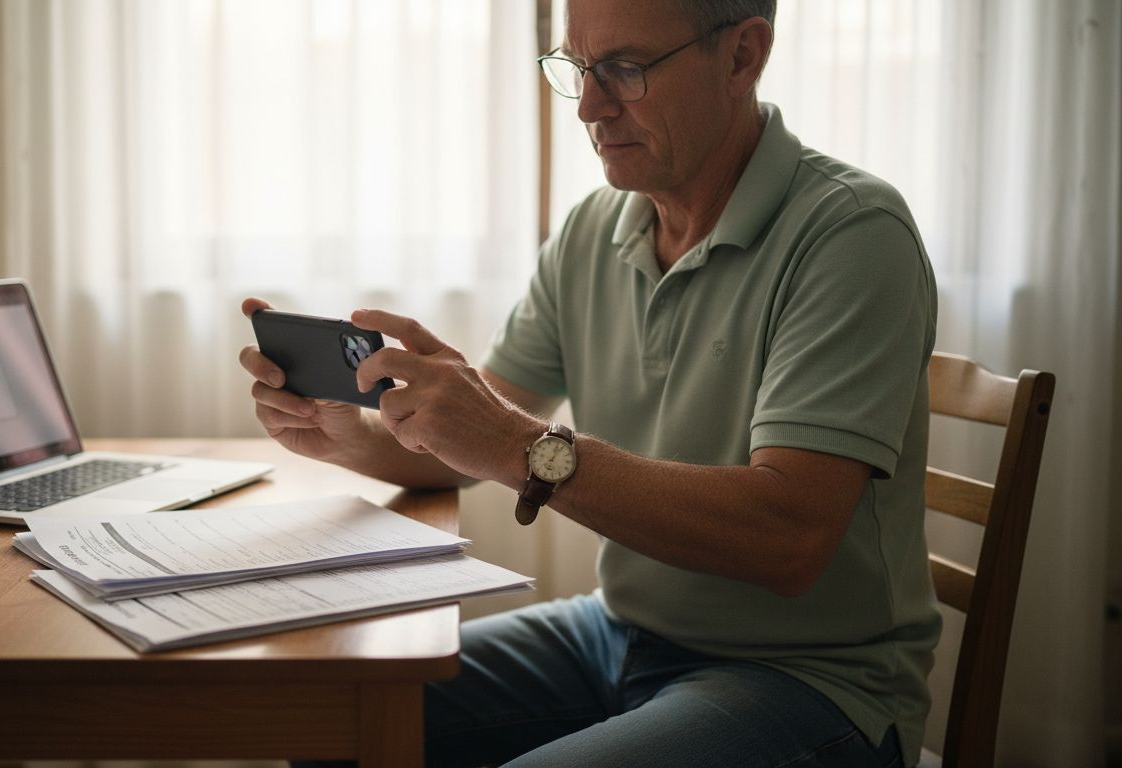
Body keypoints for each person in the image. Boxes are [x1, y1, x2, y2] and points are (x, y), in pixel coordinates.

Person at [239, 0, 939, 765]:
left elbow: (789, 541)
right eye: (577, 67)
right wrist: (358, 438)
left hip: (808, 679)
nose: (590, 108)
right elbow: (474, 444)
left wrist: (516, 443)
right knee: (330, 722)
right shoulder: (591, 230)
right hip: (618, 634)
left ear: (742, 56)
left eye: (626, 69)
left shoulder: (853, 234)